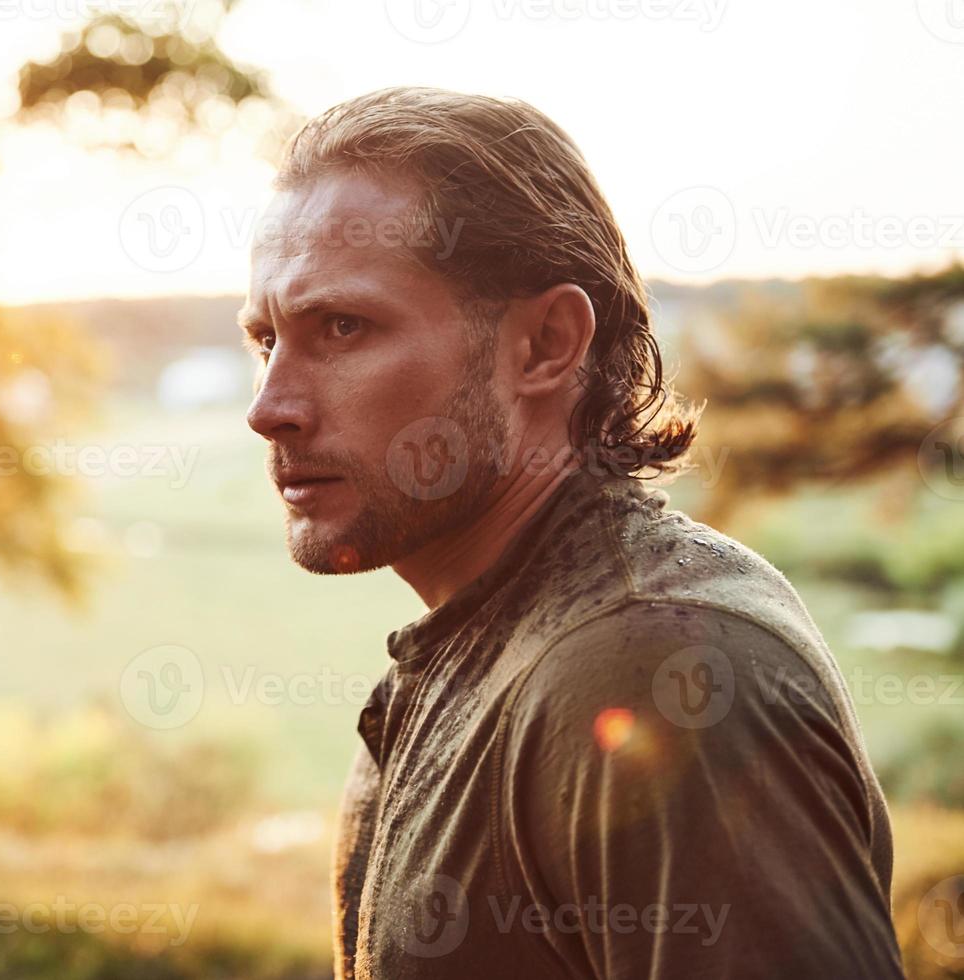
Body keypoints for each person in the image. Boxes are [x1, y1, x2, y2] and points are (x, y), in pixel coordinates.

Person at [239, 86, 904, 979]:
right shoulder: (480, 642)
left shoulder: (649, 667)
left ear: (545, 344)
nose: (269, 407)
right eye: (264, 339)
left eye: (343, 326)